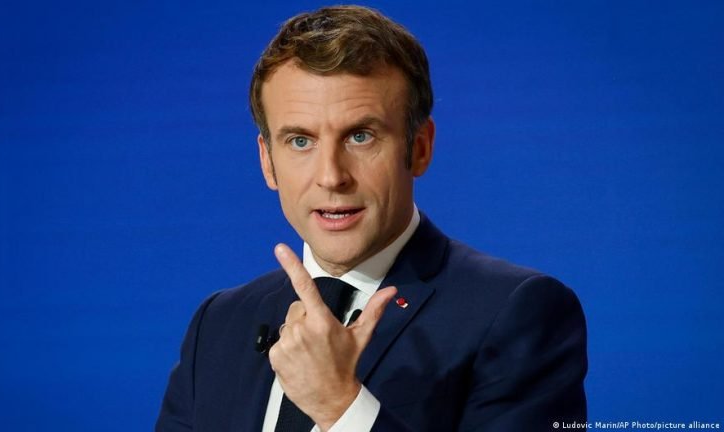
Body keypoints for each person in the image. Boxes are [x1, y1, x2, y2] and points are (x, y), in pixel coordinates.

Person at [156, 5, 587, 432]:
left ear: (419, 148)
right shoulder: (218, 324)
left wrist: (339, 406)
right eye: (301, 141)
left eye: (360, 136)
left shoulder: (518, 312)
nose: (331, 176)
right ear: (267, 161)